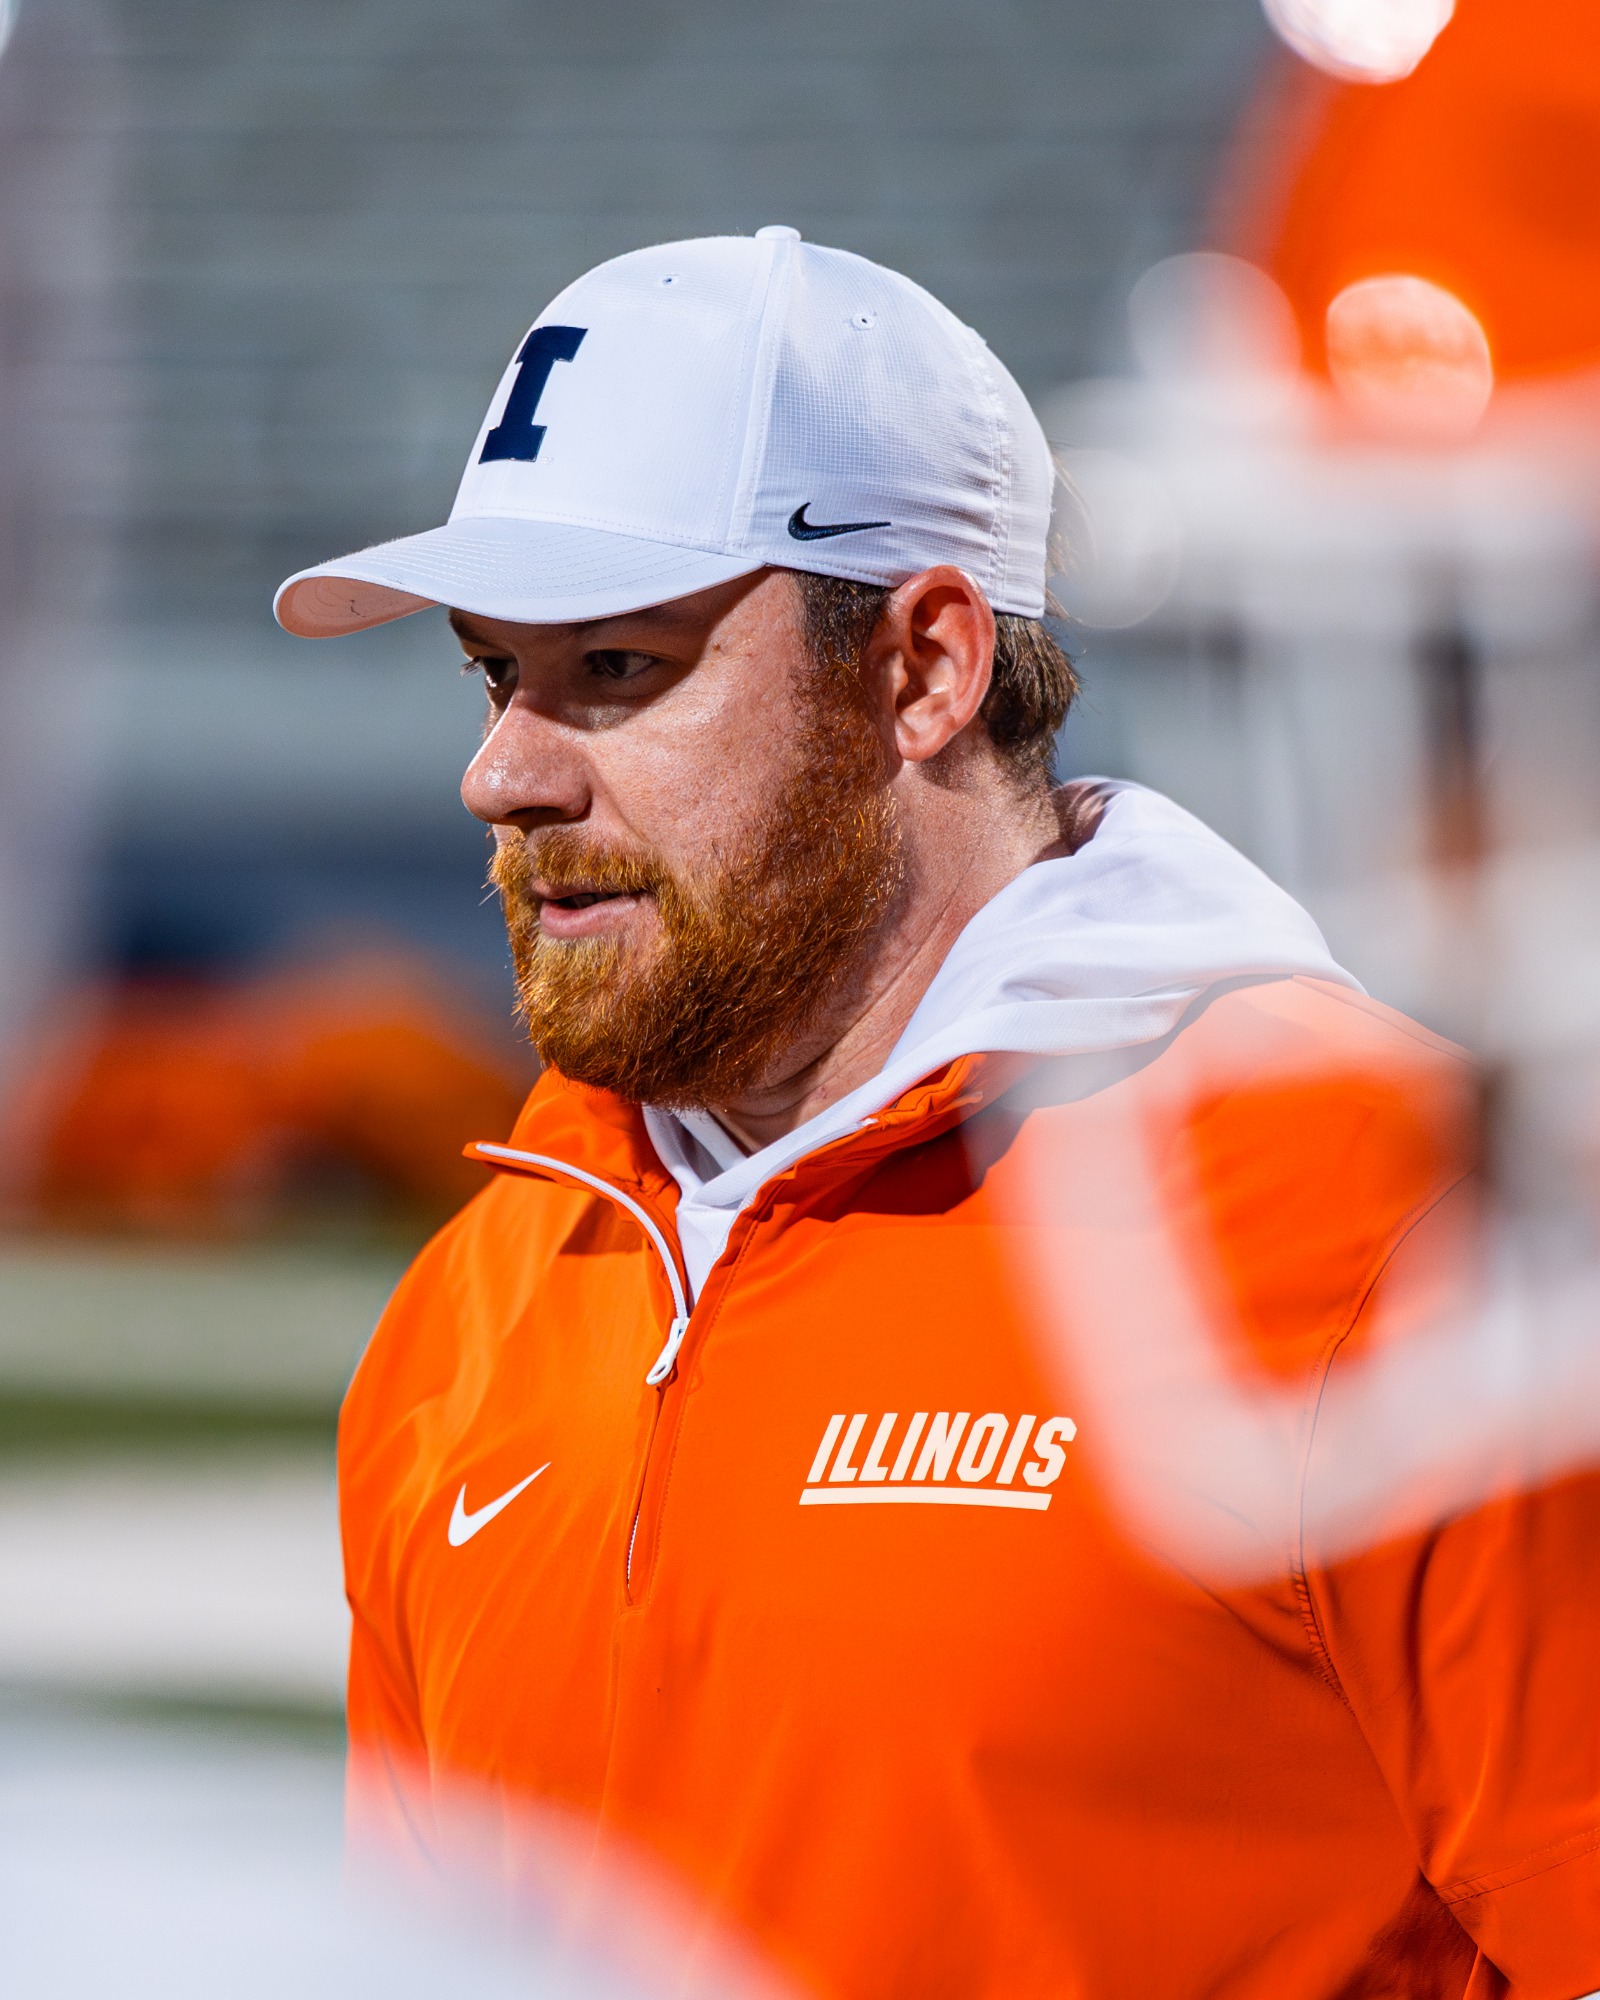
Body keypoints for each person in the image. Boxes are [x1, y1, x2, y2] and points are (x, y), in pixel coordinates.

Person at [277, 230, 1600, 1999]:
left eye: (614, 668)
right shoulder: (477, 1303)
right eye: (491, 671)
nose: (503, 770)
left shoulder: (1395, 1215)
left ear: (925, 669)